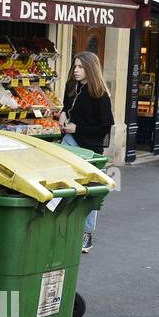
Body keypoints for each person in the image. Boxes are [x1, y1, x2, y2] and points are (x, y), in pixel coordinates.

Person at [59, 51, 114, 252]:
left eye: (80, 67)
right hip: (70, 141)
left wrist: (78, 129)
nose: (76, 70)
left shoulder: (100, 95)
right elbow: (67, 106)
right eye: (75, 66)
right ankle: (60, 226)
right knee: (61, 182)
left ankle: (86, 233)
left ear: (90, 68)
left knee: (91, 191)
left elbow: (104, 128)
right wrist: (63, 114)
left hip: (91, 149)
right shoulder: (72, 87)